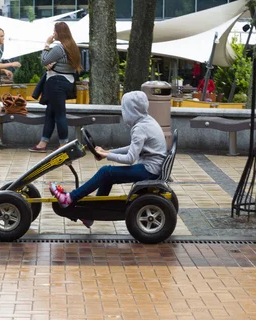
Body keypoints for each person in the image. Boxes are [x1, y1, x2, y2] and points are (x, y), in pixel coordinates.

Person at [49, 91, 168, 228]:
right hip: (152, 167)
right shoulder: (147, 121)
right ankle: (90, 214)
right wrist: (107, 152)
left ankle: (69, 199)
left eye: (124, 109)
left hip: (149, 170)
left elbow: (130, 158)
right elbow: (132, 147)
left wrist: (107, 155)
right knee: (108, 176)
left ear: (131, 110)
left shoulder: (140, 128)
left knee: (106, 172)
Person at [29, 22, 81, 152]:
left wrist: (47, 44)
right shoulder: (73, 47)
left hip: (56, 83)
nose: (53, 33)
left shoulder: (59, 48)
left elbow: (43, 61)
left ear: (59, 33)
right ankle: (43, 143)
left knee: (60, 114)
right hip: (67, 82)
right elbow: (67, 65)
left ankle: (64, 145)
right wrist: (53, 65)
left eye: (54, 31)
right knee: (50, 113)